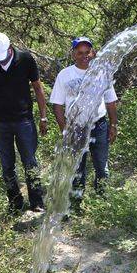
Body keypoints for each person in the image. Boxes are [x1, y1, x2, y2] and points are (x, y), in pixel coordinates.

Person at [0, 32, 47, 213]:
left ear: (9, 47)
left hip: (24, 119)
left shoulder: (25, 59)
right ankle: (15, 203)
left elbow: (38, 87)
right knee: (7, 164)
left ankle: (37, 202)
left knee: (30, 161)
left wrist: (43, 116)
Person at [50, 37, 118, 211]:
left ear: (93, 53)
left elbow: (110, 101)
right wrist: (64, 129)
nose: (84, 56)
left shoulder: (102, 73)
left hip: (99, 125)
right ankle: (76, 204)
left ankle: (102, 202)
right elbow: (57, 104)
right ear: (73, 55)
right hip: (76, 127)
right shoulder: (65, 75)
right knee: (77, 168)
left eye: (87, 52)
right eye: (79, 53)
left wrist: (113, 125)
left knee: (101, 166)